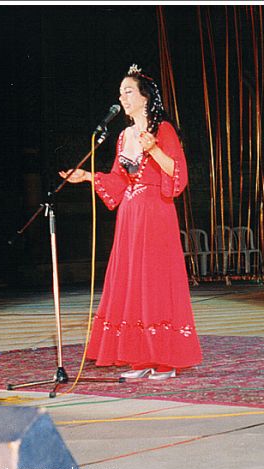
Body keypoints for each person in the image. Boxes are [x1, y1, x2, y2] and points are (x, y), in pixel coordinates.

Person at [60, 64, 202, 380]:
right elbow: (118, 181)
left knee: (154, 282)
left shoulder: (162, 130)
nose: (122, 97)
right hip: (130, 215)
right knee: (133, 282)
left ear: (144, 96)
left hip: (156, 213)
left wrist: (153, 148)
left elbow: (177, 175)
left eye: (128, 91)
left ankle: (165, 359)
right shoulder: (123, 136)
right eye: (120, 92)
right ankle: (140, 357)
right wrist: (87, 177)